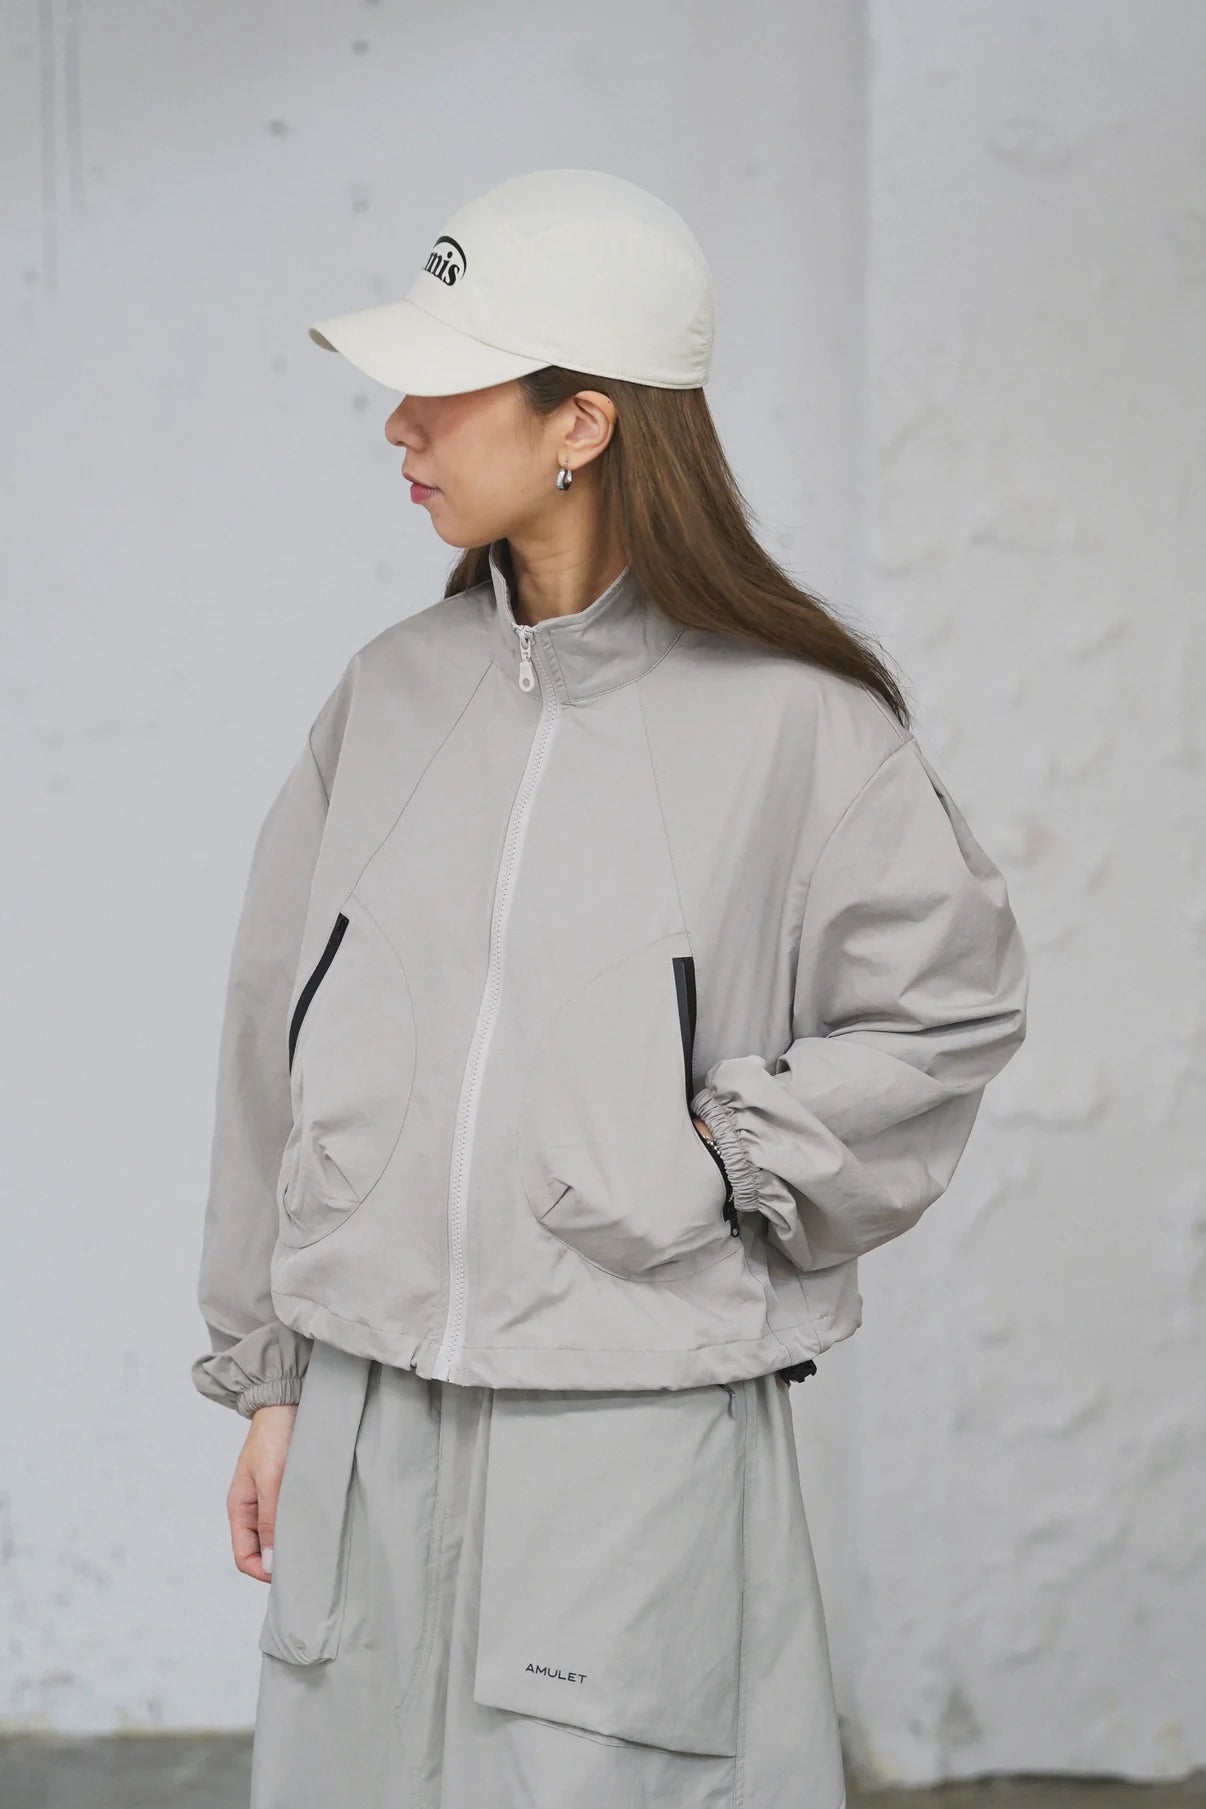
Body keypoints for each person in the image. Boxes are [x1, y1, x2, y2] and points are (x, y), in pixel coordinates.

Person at [191, 168, 1029, 1809]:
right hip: (367, 1417)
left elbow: (942, 1012)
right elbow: (267, 1044)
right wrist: (273, 1379)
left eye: (444, 386)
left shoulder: (799, 724)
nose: (397, 425)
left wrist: (713, 1158)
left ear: (580, 420)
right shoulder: (389, 694)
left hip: (624, 1424)